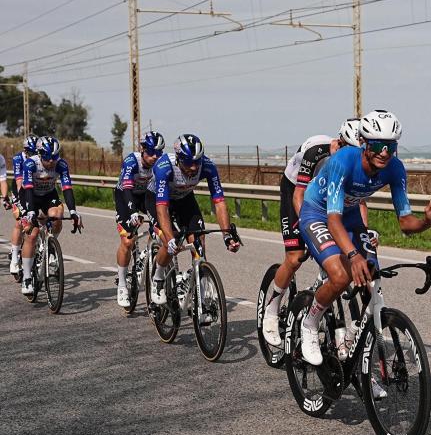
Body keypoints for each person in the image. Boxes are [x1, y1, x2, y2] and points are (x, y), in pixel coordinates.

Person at [297, 109, 431, 366]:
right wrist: (353, 255)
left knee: (373, 280)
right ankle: (310, 323)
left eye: (391, 146)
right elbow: (333, 220)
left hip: (350, 215)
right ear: (365, 144)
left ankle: (359, 359)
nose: (384, 152)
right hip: (319, 213)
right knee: (342, 275)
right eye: (378, 145)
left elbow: (405, 223)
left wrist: (427, 221)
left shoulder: (395, 169)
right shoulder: (343, 161)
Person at [260, 118, 365, 346]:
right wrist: (309, 232)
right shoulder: (317, 152)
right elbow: (299, 196)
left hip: (327, 196)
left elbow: (360, 203)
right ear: (339, 143)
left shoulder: (358, 163)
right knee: (295, 256)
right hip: (296, 190)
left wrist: (365, 234)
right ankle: (272, 309)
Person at [146, 134, 241, 306]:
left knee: (198, 239)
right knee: (169, 242)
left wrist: (227, 235)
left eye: (197, 161)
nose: (194, 167)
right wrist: (170, 239)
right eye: (189, 162)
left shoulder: (208, 166)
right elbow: (162, 208)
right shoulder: (164, 167)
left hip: (184, 199)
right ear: (179, 160)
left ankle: (200, 293)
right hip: (157, 199)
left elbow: (219, 202)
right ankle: (158, 278)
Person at [19, 136, 83, 295]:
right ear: (40, 154)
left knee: (57, 216)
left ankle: (51, 244)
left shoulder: (61, 164)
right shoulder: (30, 164)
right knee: (32, 234)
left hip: (48, 195)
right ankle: (27, 278)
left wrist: (73, 211)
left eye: (55, 156)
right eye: (49, 157)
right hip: (30, 195)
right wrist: (31, 212)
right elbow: (26, 189)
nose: (53, 161)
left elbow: (67, 188)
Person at [113, 131, 165, 308]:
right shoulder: (131, 161)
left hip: (145, 196)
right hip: (125, 196)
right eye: (151, 152)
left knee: (160, 228)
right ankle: (121, 284)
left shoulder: (161, 164)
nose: (155, 157)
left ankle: (148, 253)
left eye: (159, 153)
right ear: (142, 149)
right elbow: (127, 188)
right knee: (127, 241)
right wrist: (132, 212)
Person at [6, 135, 37, 277]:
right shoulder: (18, 159)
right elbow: (19, 182)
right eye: (31, 152)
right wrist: (22, 203)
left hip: (34, 189)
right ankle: (14, 259)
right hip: (20, 190)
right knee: (20, 221)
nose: (34, 155)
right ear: (25, 150)